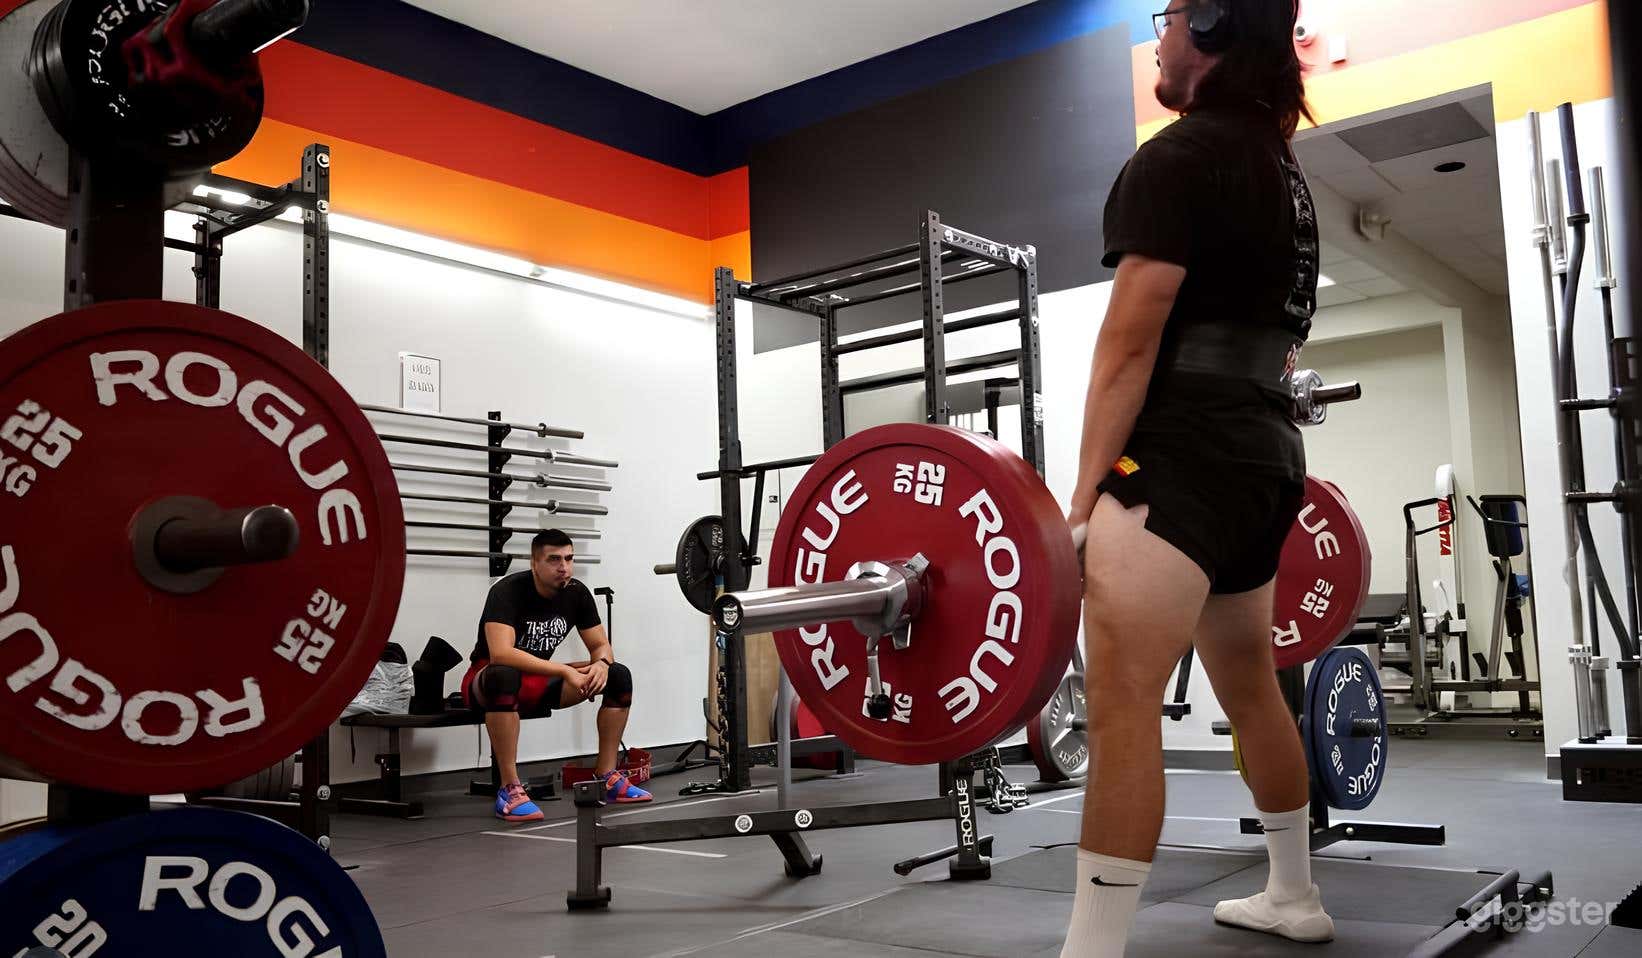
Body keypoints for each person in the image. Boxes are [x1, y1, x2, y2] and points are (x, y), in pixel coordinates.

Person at [1059, 1, 1330, 953]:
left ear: (1211, 25)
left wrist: (1084, 499)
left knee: (1123, 697)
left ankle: (1091, 948)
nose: (1159, 39)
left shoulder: (1176, 159)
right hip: (1264, 455)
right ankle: (1294, 893)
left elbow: (1127, 347)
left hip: (1178, 457)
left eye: (1167, 16)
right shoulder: (1282, 173)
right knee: (1251, 681)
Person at [462, 529, 650, 822]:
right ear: (534, 563)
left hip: (536, 680)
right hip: (487, 680)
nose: (563, 567)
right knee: (504, 675)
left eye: (569, 558)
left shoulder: (576, 593)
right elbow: (502, 653)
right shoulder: (506, 591)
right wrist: (564, 669)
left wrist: (601, 664)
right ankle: (509, 789)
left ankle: (606, 775)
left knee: (618, 675)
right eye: (554, 559)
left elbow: (601, 645)